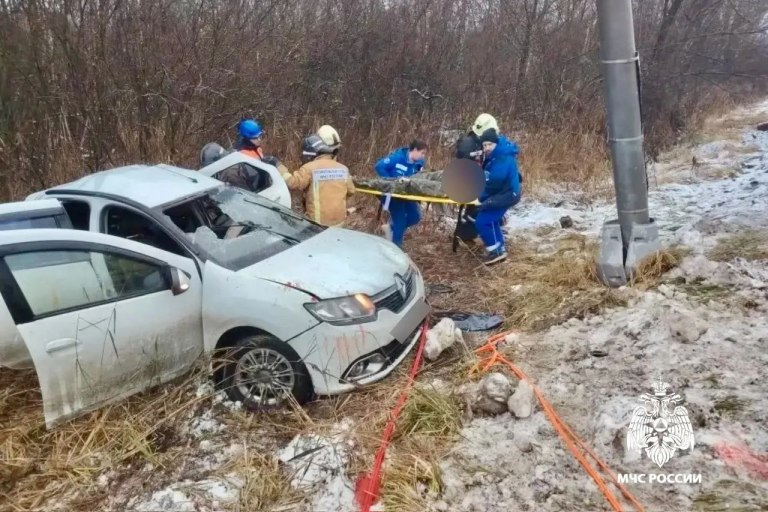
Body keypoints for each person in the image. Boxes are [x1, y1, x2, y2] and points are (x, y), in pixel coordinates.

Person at [281, 134, 356, 227]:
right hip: (339, 222)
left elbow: (292, 183)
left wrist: (279, 167)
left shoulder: (309, 168)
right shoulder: (343, 169)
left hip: (318, 224)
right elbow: (351, 191)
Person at [475, 128, 522, 265]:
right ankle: (498, 247)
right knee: (490, 219)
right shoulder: (498, 154)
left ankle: (497, 252)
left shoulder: (502, 156)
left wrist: (480, 197)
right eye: (484, 145)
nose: (486, 148)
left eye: (489, 144)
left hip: (507, 194)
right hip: (506, 192)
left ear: (496, 143)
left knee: (482, 221)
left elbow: (495, 180)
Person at [373, 139, 428, 247]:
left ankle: (391, 228)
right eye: (422, 153)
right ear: (415, 150)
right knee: (400, 220)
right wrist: (390, 182)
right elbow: (379, 166)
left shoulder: (419, 164)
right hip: (390, 194)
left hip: (405, 194)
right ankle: (396, 248)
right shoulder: (398, 157)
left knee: (415, 217)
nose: (423, 156)